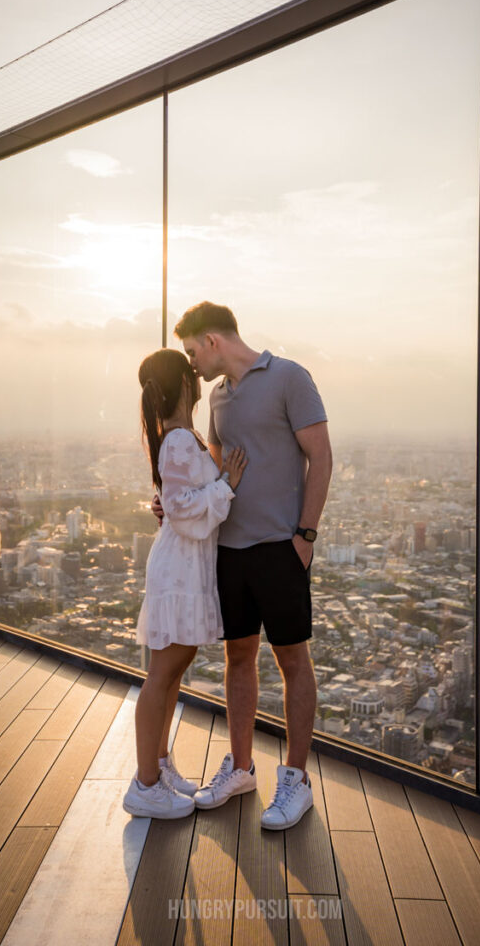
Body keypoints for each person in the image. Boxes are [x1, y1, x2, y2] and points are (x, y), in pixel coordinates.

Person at [158, 302, 332, 831]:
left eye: (192, 351)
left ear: (211, 340)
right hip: (228, 551)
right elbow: (213, 469)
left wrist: (303, 537)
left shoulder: (289, 378)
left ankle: (295, 781)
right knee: (238, 657)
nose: (192, 364)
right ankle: (240, 768)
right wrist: (173, 500)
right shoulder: (218, 397)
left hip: (281, 547)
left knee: (293, 661)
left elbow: (321, 457)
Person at [123, 348, 247, 819]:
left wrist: (207, 490)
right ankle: (144, 784)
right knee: (162, 675)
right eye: (191, 373)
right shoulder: (177, 439)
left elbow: (171, 501)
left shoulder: (178, 437)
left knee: (172, 671)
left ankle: (157, 765)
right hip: (178, 569)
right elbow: (180, 509)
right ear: (182, 385)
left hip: (185, 566)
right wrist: (227, 484)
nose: (199, 379)